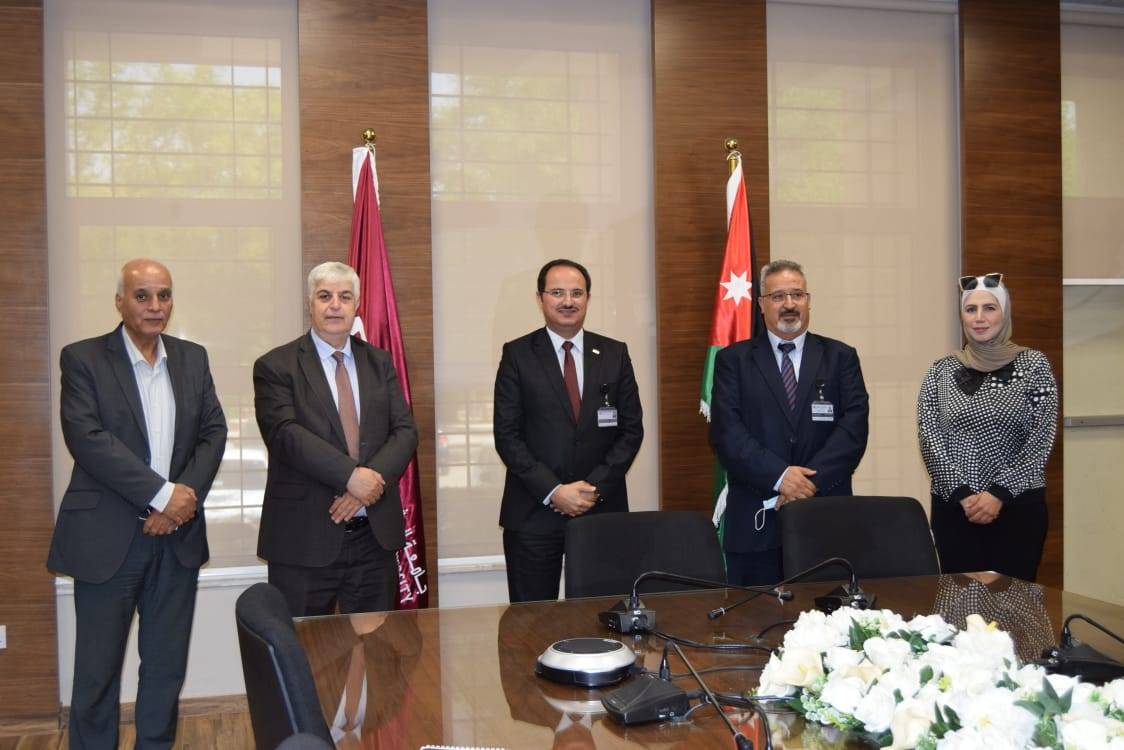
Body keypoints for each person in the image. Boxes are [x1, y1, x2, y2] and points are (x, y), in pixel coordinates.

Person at [48, 259, 227, 749]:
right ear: (119, 302)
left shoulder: (192, 358)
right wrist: (164, 495)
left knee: (166, 668)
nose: (155, 305)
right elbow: (88, 440)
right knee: (97, 673)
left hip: (177, 539)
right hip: (107, 541)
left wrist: (179, 503)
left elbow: (213, 432)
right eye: (142, 295)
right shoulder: (83, 359)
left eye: (163, 295)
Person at [254, 261, 418, 616]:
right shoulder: (276, 366)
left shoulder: (379, 362)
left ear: (356, 305)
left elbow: (405, 431)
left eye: (345, 297)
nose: (335, 305)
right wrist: (350, 477)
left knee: (377, 644)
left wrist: (367, 483)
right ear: (309, 303)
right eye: (324, 296)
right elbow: (285, 435)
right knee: (305, 646)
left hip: (373, 537)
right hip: (304, 539)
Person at [710, 259, 869, 586]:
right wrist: (781, 476)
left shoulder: (840, 357)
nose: (789, 304)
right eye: (778, 296)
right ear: (761, 304)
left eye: (797, 294)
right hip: (756, 521)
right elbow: (727, 433)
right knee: (754, 614)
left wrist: (807, 483)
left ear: (808, 301)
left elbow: (853, 430)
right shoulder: (733, 361)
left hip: (825, 517)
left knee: (829, 612)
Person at [493, 258, 643, 602]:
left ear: (588, 298)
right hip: (533, 512)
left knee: (601, 618)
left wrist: (593, 489)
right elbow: (507, 435)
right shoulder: (517, 354)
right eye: (557, 292)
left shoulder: (614, 353)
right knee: (531, 621)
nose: (568, 301)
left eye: (577, 293)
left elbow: (631, 430)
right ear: (540, 298)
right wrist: (554, 490)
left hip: (600, 510)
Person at [918, 273, 1058, 582]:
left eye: (990, 308)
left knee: (1014, 604)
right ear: (962, 316)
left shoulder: (1034, 365)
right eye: (971, 309)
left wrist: (999, 493)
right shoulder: (940, 371)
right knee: (960, 604)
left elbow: (1041, 437)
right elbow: (929, 438)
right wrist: (962, 494)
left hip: (1018, 510)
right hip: (955, 511)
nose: (979, 318)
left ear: (1004, 313)